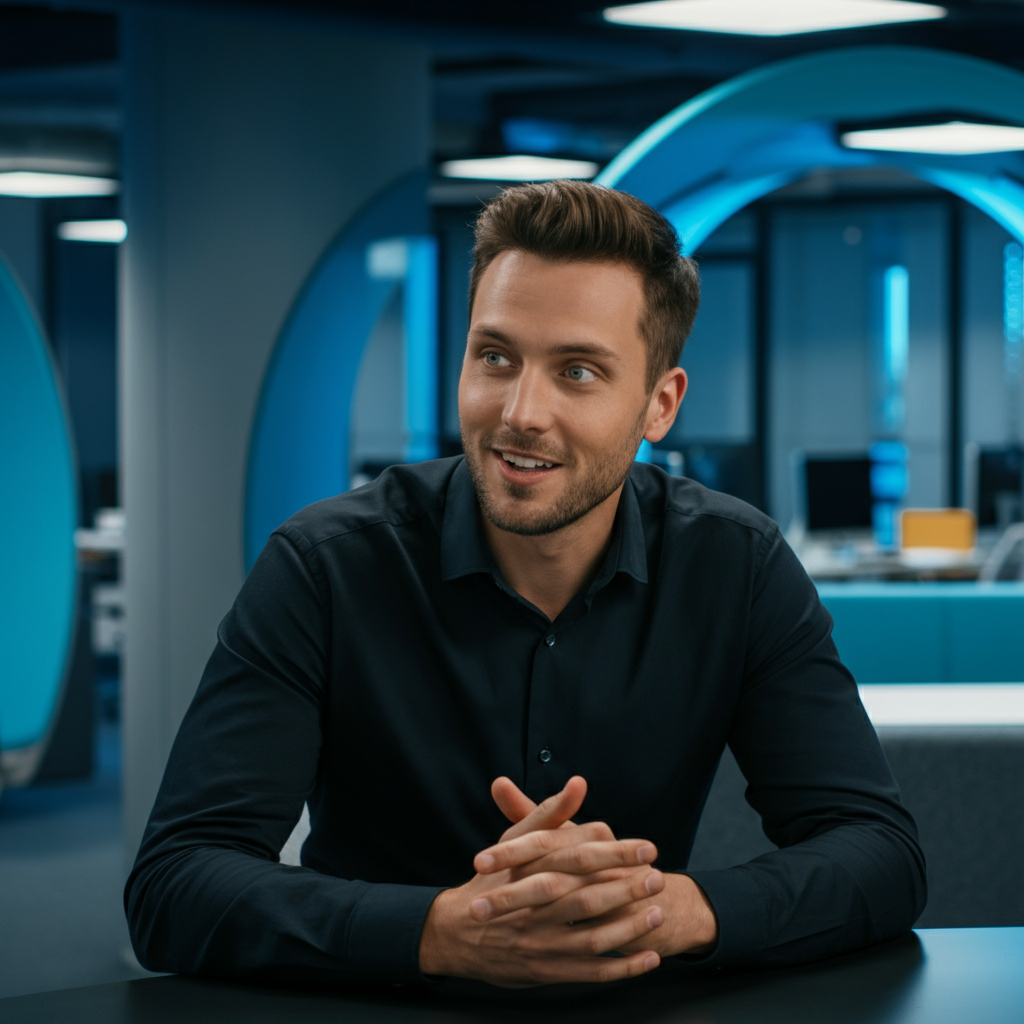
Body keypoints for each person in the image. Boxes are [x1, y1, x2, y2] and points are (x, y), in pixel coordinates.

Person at [125, 181, 926, 989]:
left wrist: (666, 909)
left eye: (577, 371)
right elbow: (174, 883)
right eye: (496, 357)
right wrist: (439, 931)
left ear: (660, 404)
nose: (520, 412)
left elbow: (880, 854)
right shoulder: (326, 565)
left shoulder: (735, 565)